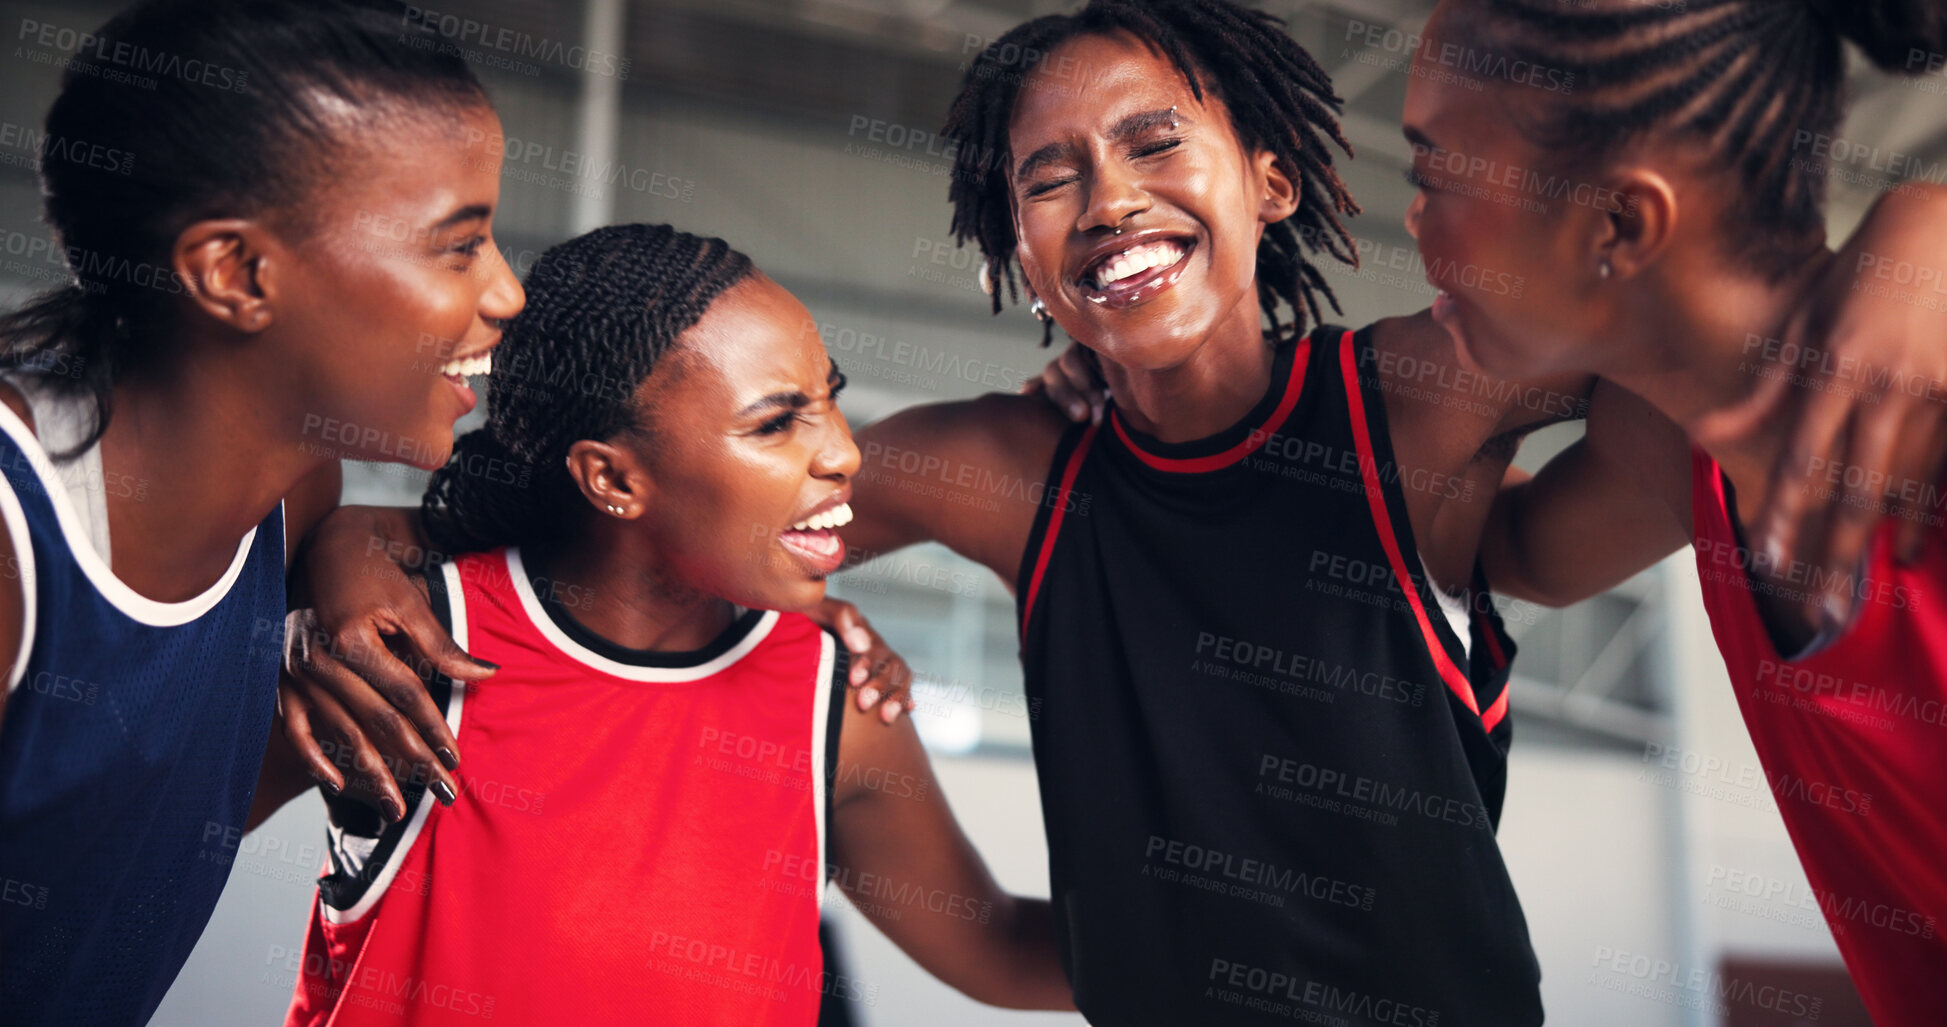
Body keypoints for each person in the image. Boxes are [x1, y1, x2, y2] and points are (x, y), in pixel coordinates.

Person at [284, 0, 1947, 1022]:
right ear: (1016, 253)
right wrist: (374, 542)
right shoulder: (1010, 470)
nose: (1109, 197)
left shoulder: (1423, 397)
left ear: (1270, 182)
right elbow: (650, 514)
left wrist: (1920, 224)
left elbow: (1699, 314)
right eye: (1048, 174)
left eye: (1156, 140)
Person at [274, 223, 1070, 1025]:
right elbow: (155, 830)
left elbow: (996, 949)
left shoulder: (837, 697)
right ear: (612, 477)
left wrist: (1197, 962)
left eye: (829, 397)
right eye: (775, 422)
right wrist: (329, 554)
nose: (843, 452)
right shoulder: (405, 643)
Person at [1392, 1, 1947, 1022]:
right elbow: (1505, 549)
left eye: (1435, 172)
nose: (1413, 214)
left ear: (1618, 223)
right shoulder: (1672, 445)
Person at [0, 2, 525, 1024]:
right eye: (458, 247)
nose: (506, 292)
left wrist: (348, 555)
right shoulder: (17, 540)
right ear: (235, 273)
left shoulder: (291, 502)